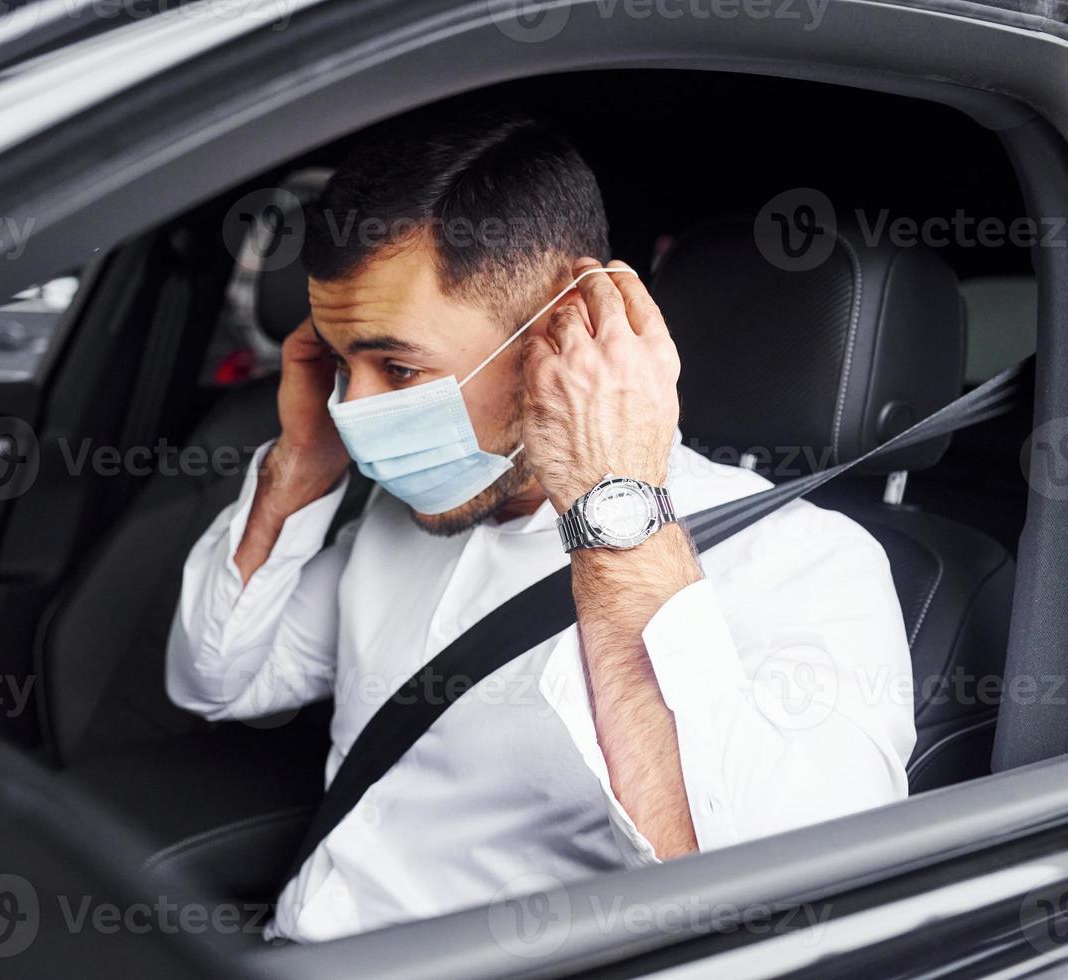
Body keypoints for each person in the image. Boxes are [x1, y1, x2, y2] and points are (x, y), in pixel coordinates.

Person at [166, 111, 915, 943]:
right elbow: (216, 678)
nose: (355, 411)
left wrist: (610, 501)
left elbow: (790, 912)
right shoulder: (403, 517)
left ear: (564, 323)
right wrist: (299, 464)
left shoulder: (805, 564)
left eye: (400, 368)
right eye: (342, 366)